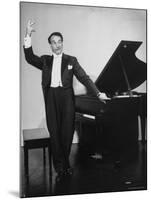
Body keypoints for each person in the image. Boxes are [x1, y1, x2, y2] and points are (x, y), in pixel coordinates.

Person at [23, 20, 106, 181]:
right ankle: (60, 168)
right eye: (54, 43)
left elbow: (84, 78)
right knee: (55, 133)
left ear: (62, 43)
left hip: (67, 99)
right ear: (50, 45)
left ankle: (65, 164)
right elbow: (29, 57)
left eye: (59, 42)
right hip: (51, 98)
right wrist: (27, 35)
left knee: (67, 134)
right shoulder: (45, 60)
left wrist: (98, 93)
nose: (57, 45)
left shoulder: (71, 60)